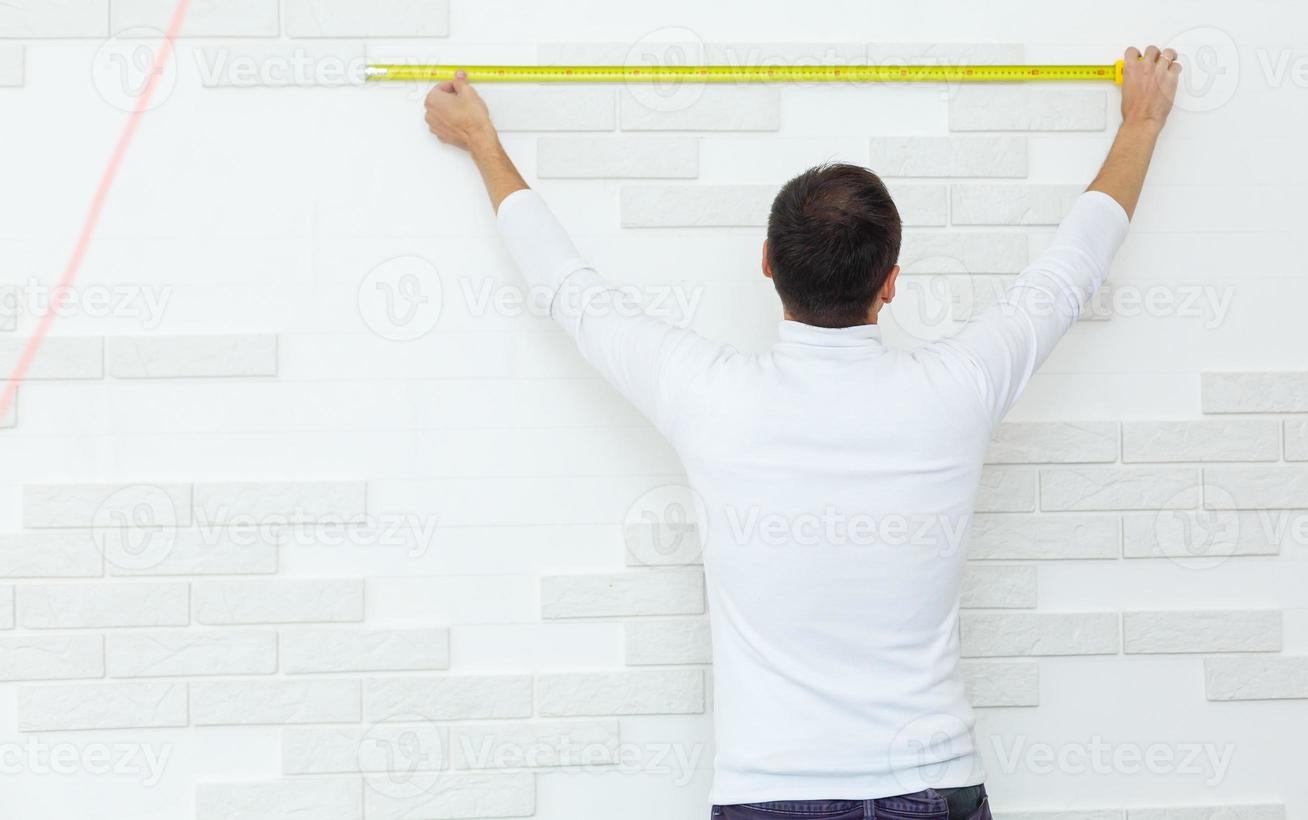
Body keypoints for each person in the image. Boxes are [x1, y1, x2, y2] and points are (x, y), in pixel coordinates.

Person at [422, 46, 1181, 820]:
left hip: (772, 794)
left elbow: (570, 292)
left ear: (765, 264)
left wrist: (483, 142)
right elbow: (1068, 272)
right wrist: (1143, 120)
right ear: (891, 283)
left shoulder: (709, 396)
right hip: (931, 787)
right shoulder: (956, 390)